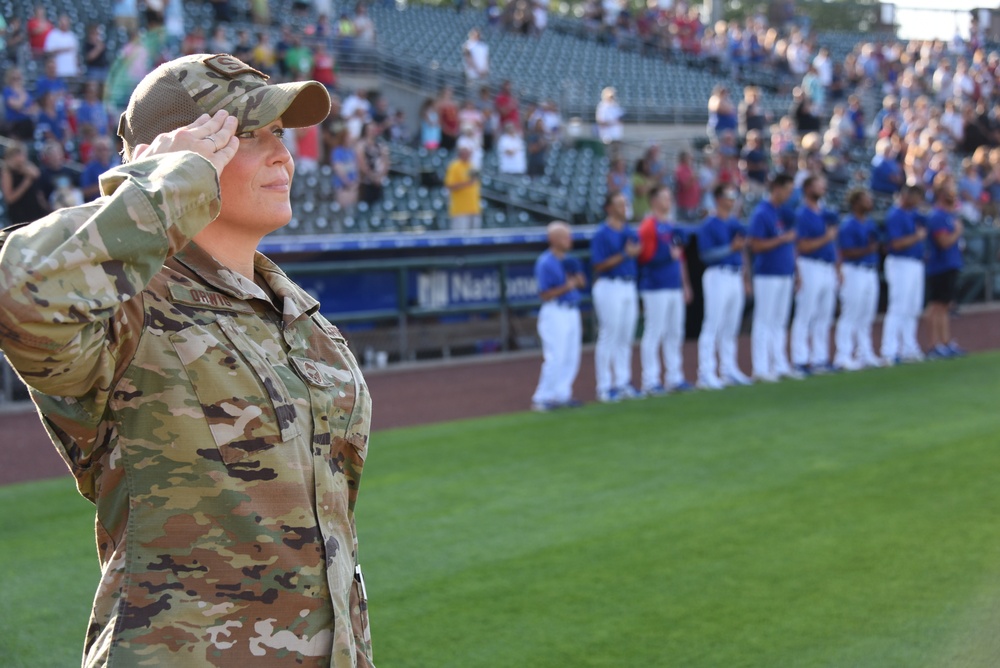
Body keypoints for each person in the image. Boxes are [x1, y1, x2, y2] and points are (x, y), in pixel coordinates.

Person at [0, 54, 374, 667]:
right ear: (181, 150)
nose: (284, 155)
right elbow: (18, 294)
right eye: (249, 134)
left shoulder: (305, 320)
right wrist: (164, 181)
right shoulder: (122, 308)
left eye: (280, 133)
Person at [637, 185, 693, 395]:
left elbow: (681, 259)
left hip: (673, 286)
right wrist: (666, 257)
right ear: (654, 201)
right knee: (654, 331)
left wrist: (685, 284)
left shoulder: (671, 226)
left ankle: (674, 377)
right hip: (655, 286)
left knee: (675, 332)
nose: (668, 201)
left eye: (670, 197)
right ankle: (650, 380)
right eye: (664, 198)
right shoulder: (648, 226)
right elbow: (643, 258)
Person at [696, 184, 753, 389]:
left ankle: (728, 369)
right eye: (729, 196)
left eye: (733, 197)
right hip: (717, 274)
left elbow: (742, 251)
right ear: (718, 198)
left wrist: (746, 278)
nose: (732, 200)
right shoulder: (709, 223)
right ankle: (706, 372)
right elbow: (706, 255)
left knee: (731, 325)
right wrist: (731, 247)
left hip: (735, 275)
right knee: (713, 323)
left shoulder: (734, 223)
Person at [748, 173, 802, 382]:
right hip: (767, 273)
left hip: (784, 271)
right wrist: (781, 239)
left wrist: (795, 271)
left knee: (780, 321)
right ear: (777, 189)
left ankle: (779, 364)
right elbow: (755, 244)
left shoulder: (783, 213)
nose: (790, 195)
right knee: (764, 320)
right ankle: (761, 368)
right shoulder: (762, 212)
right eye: (787, 190)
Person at [590, 191, 642, 402]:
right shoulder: (602, 233)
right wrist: (625, 254)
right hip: (609, 285)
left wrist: (634, 253)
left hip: (629, 284)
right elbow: (598, 264)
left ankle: (622, 381)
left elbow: (637, 252)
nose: (624, 208)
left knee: (625, 337)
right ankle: (604, 385)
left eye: (625, 204)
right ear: (609, 208)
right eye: (619, 204)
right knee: (608, 335)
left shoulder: (629, 231)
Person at [531, 221, 585, 411]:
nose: (568, 239)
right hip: (554, 311)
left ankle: (562, 394)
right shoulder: (545, 262)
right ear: (552, 239)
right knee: (556, 356)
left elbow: (581, 283)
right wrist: (567, 286)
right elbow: (544, 294)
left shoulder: (570, 260)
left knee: (572, 355)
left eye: (569, 235)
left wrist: (577, 281)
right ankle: (543, 397)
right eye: (564, 236)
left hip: (571, 310)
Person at [789, 175, 838, 374]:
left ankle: (820, 357)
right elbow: (802, 245)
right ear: (808, 188)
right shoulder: (802, 213)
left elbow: (833, 245)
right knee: (805, 313)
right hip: (809, 264)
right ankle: (800, 359)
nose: (822, 189)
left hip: (827, 266)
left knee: (824, 315)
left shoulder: (825, 213)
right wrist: (826, 237)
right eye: (819, 185)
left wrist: (837, 267)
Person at [833, 188, 883, 370]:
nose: (869, 202)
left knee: (867, 314)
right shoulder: (849, 224)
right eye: (865, 199)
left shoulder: (869, 223)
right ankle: (843, 355)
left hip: (870, 270)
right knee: (850, 313)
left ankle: (865, 353)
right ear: (856, 203)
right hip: (853, 270)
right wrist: (867, 249)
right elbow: (845, 251)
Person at [881, 184, 928, 363]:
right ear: (905, 196)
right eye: (915, 196)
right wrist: (917, 237)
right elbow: (895, 244)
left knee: (913, 307)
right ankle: (889, 350)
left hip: (915, 263)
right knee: (898, 306)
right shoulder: (895, 215)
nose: (918, 201)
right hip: (900, 263)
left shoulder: (913, 214)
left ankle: (908, 347)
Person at [925, 174, 966, 358]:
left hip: (949, 264)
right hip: (940, 266)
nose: (954, 194)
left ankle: (945, 342)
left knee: (945, 305)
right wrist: (957, 232)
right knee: (937, 306)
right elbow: (944, 242)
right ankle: (935, 344)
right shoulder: (938, 216)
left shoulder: (949, 215)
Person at [0, 141, 49, 225]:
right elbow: (9, 199)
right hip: (20, 213)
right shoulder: (7, 173)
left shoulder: (26, 167)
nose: (21, 158)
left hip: (36, 210)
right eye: (17, 155)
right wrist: (26, 182)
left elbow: (36, 173)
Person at [444, 144, 482, 230]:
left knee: (476, 240)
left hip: (474, 208)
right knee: (460, 239)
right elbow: (449, 186)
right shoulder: (454, 166)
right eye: (467, 153)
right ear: (461, 154)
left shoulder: (472, 166)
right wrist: (466, 183)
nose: (469, 155)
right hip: (460, 210)